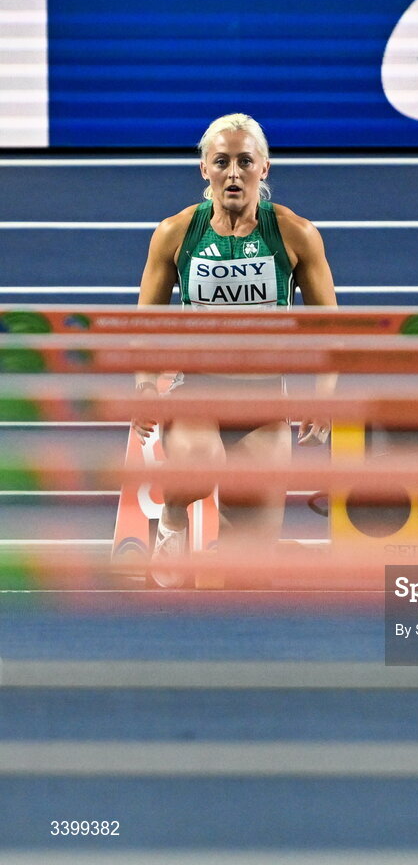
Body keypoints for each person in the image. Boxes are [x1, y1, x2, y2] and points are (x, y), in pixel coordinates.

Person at [133, 113, 337, 586]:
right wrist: (144, 384)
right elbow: (143, 323)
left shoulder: (295, 234)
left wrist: (324, 394)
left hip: (265, 402)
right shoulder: (176, 233)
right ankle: (173, 520)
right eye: (221, 162)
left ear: (264, 168)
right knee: (200, 465)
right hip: (196, 394)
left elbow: (333, 327)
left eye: (245, 162)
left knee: (248, 568)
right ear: (204, 167)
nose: (233, 173)